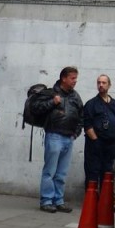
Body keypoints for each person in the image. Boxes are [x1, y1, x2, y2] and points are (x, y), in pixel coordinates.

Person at [35, 66, 83, 213]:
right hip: (54, 135)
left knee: (61, 173)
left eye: (76, 78)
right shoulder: (51, 93)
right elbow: (37, 108)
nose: (75, 81)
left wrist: (76, 133)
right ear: (64, 78)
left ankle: (59, 200)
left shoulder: (75, 96)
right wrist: (52, 102)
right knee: (50, 171)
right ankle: (47, 200)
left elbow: (81, 116)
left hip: (69, 137)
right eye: (72, 78)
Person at [82, 74, 115, 191]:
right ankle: (91, 201)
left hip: (110, 145)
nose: (101, 85)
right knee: (92, 173)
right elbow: (87, 125)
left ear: (109, 85)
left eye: (104, 83)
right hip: (95, 144)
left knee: (107, 173)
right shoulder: (91, 104)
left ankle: (104, 203)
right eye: (99, 82)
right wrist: (95, 141)